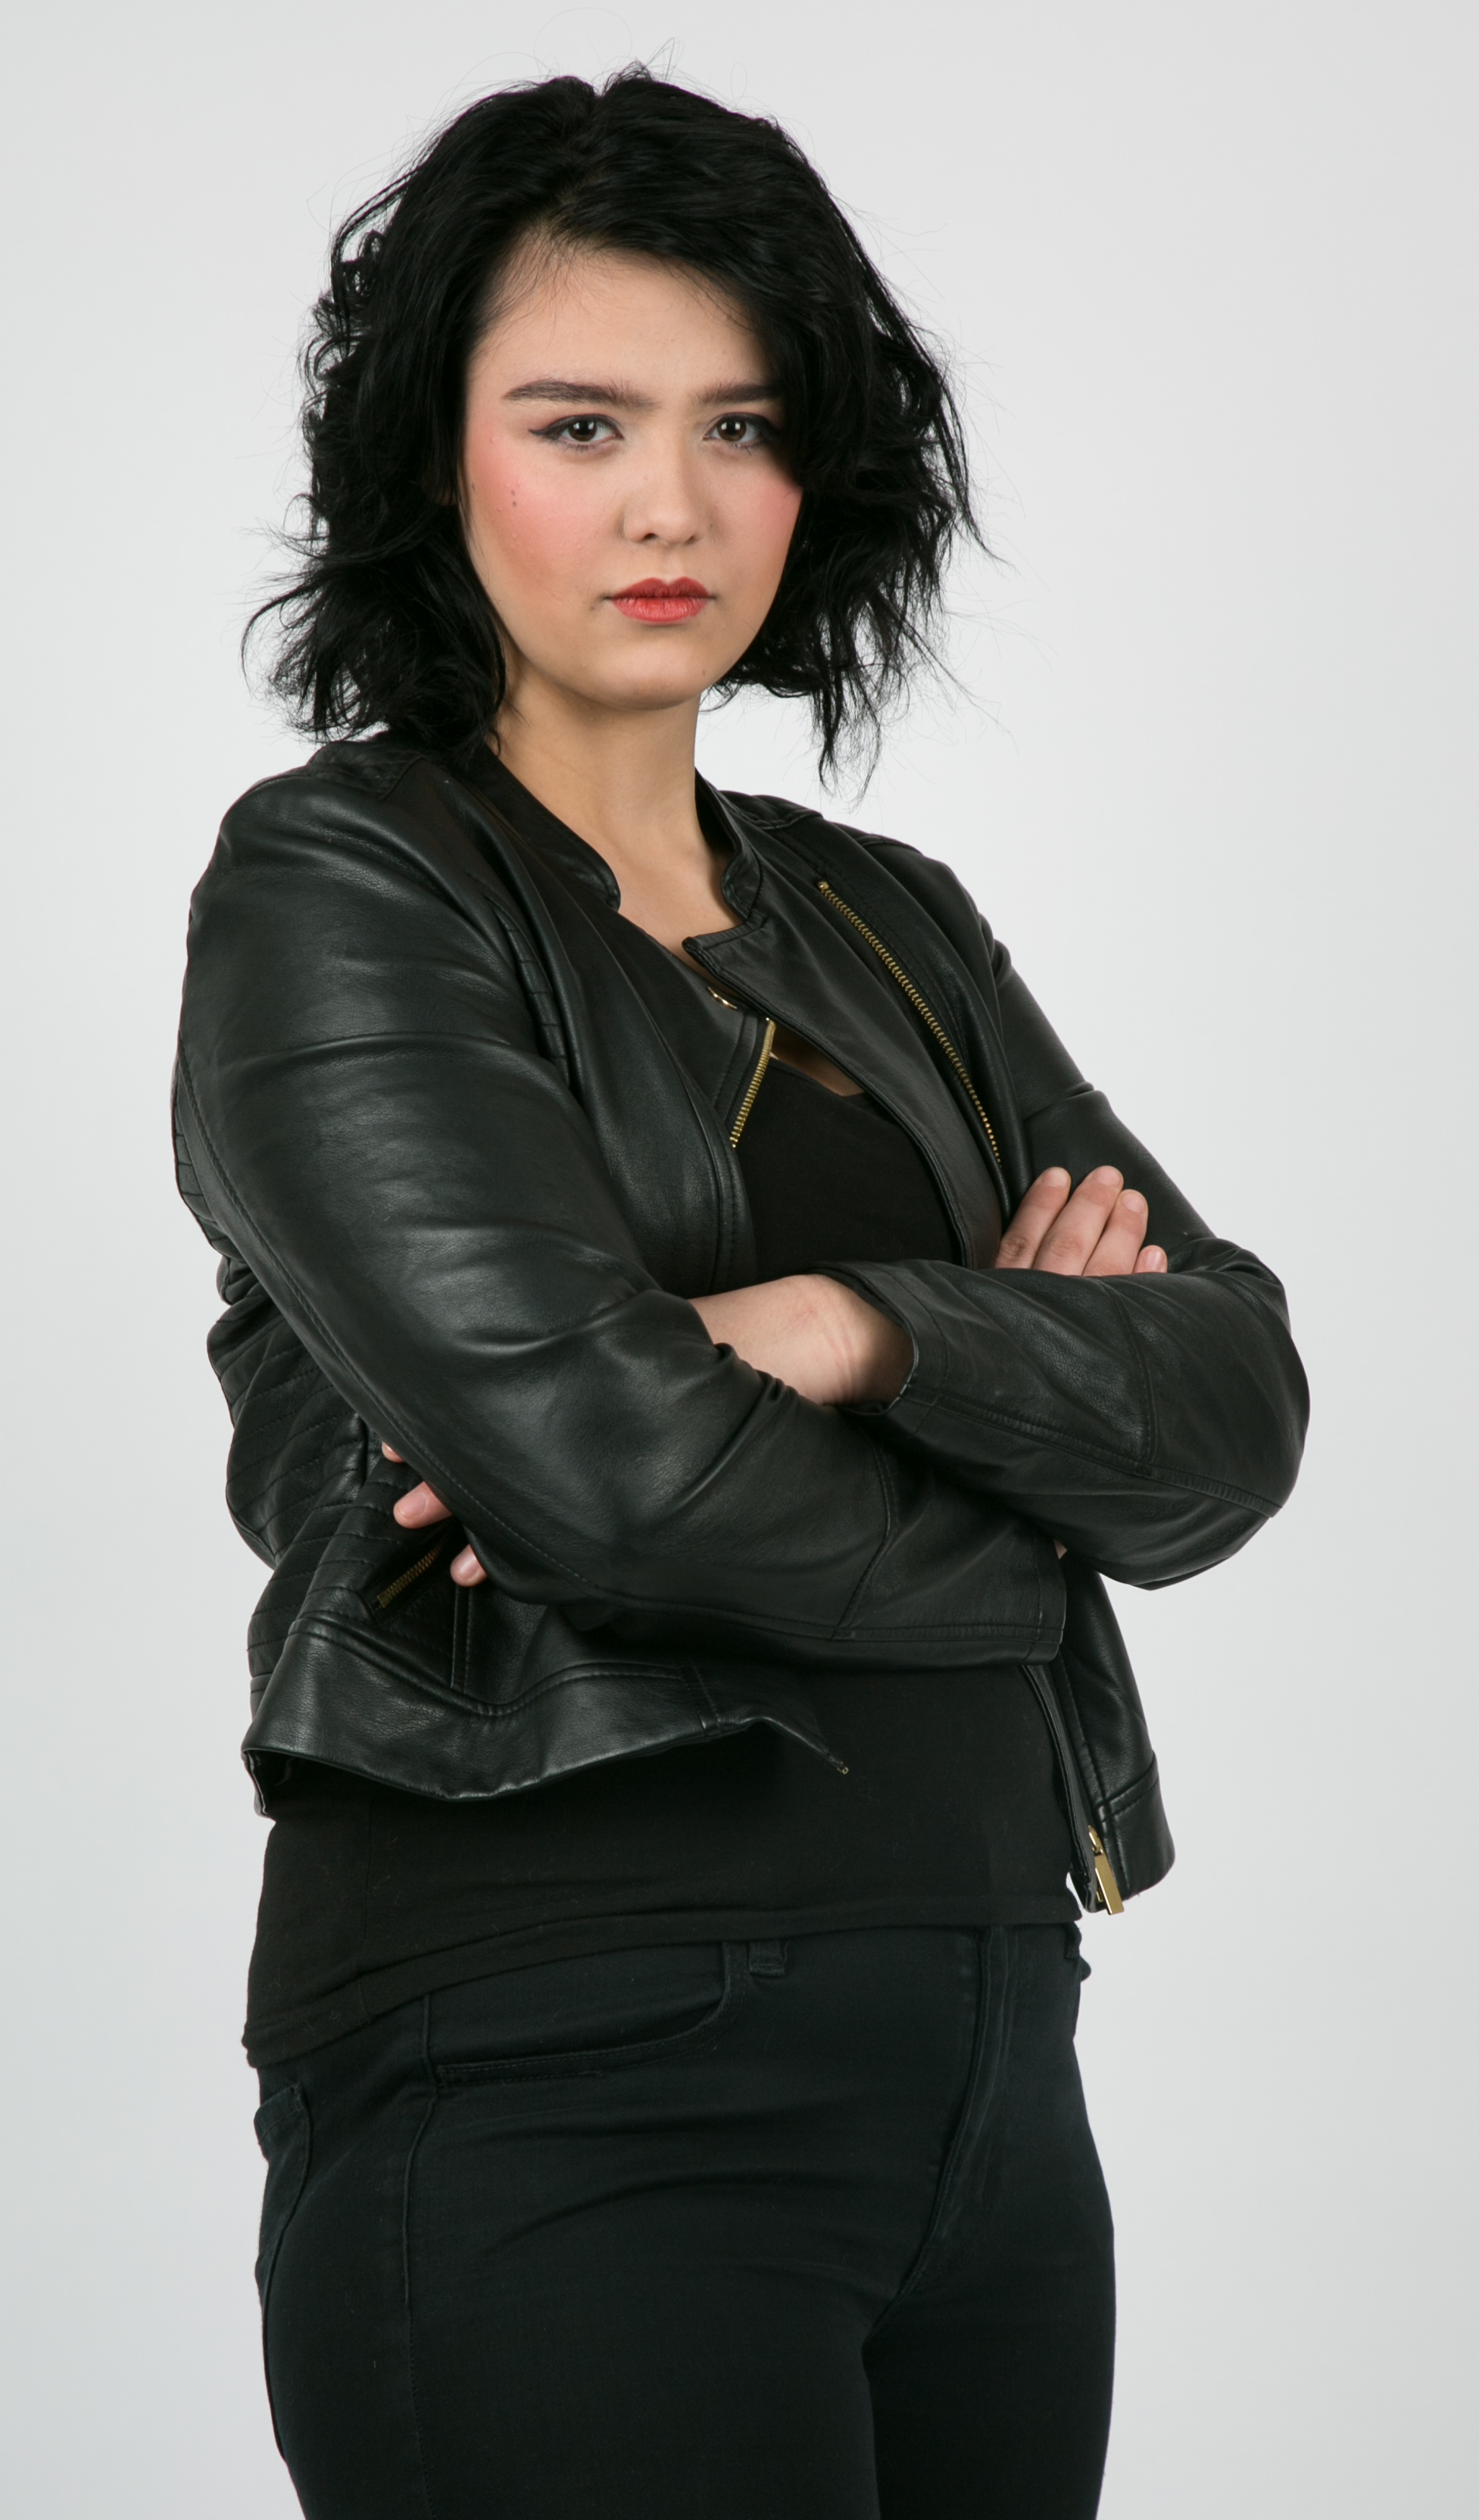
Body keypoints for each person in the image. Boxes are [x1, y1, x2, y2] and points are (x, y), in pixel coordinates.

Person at [174, 66, 1307, 2520]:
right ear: (433, 460)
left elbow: (1228, 1412)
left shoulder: (887, 922)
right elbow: (615, 1486)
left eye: (742, 425)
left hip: (991, 2064)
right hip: (564, 2066)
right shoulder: (343, 885)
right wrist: (1030, 1475)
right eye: (579, 424)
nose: (669, 505)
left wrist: (849, 1327)